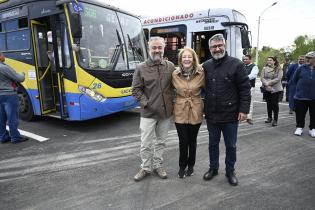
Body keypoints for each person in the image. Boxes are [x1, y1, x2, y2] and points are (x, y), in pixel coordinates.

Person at [202, 34, 250, 186]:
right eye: (213, 47)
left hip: (231, 115)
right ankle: (213, 168)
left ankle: (230, 171)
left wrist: (244, 110)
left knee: (231, 145)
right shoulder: (206, 66)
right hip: (212, 115)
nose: (217, 49)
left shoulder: (236, 64)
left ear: (225, 45)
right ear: (209, 49)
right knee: (212, 144)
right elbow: (201, 87)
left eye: (219, 45)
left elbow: (245, 89)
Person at [132, 37, 175, 181]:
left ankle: (157, 165)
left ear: (163, 49)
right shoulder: (141, 68)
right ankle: (145, 168)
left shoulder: (170, 66)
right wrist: (147, 103)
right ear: (149, 49)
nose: (157, 50)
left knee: (161, 142)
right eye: (154, 48)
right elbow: (136, 90)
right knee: (146, 144)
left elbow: (175, 86)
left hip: (165, 113)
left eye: (159, 48)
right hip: (148, 113)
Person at [172, 47, 205, 178]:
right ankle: (182, 166)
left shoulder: (201, 73)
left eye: (189, 57)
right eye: (184, 57)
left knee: (192, 140)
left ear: (193, 59)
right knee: (183, 140)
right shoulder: (174, 74)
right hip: (180, 109)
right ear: (180, 60)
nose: (186, 59)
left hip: (195, 109)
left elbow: (210, 89)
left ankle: (191, 165)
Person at [0, 52, 29, 144]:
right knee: (12, 117)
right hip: (9, 95)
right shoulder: (3, 67)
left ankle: (3, 136)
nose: (4, 56)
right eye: (2, 55)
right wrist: (23, 74)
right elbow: (19, 78)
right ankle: (15, 137)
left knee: (1, 118)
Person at [292, 51, 315, 137]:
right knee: (300, 113)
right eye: (307, 58)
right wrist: (300, 89)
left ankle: (312, 129)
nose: (307, 59)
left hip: (314, 97)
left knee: (314, 114)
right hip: (301, 96)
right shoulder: (301, 68)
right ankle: (299, 127)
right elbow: (295, 79)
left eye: (309, 58)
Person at [261, 56, 283, 126]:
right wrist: (266, 84)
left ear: (274, 61)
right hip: (267, 88)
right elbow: (262, 78)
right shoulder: (264, 68)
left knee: (274, 104)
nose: (269, 61)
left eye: (270, 60)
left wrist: (269, 83)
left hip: (275, 89)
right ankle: (269, 118)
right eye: (268, 60)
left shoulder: (279, 69)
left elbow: (278, 78)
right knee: (269, 104)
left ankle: (275, 120)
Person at [243, 54, 259, 125]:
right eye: (244, 59)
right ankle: (241, 116)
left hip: (250, 87)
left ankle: (249, 118)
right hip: (242, 87)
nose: (245, 60)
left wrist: (242, 78)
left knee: (250, 102)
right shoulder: (242, 66)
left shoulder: (254, 67)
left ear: (250, 59)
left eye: (246, 59)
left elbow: (253, 76)